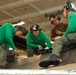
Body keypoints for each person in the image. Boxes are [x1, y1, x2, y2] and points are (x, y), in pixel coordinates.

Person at [39, 1, 76, 68]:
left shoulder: (72, 15)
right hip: (72, 37)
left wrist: (62, 35)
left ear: (67, 9)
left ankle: (54, 57)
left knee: (59, 41)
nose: (63, 12)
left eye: (63, 11)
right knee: (61, 43)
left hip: (73, 36)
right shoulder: (53, 30)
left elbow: (72, 28)